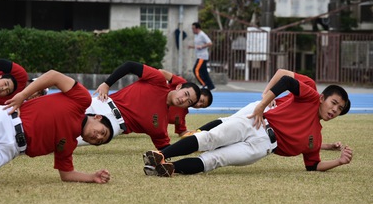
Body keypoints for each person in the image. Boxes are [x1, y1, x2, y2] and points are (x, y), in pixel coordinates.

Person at [142, 69, 353, 177]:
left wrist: (339, 162)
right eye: (334, 103)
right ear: (323, 98)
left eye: (339, 109)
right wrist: (262, 105)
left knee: (216, 160)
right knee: (212, 137)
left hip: (262, 147)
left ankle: (168, 169)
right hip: (257, 120)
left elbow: (313, 166)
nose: (334, 110)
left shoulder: (315, 138)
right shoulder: (310, 95)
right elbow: (287, 80)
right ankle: (162, 154)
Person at [0, 70, 113, 184]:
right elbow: (54, 76)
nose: (98, 137)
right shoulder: (82, 100)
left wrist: (92, 177)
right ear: (97, 117)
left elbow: (67, 174)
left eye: (99, 141)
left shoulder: (69, 145)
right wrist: (22, 95)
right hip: (5, 120)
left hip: (9, 151)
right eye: (103, 132)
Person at [94, 61, 201, 150]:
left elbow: (166, 149)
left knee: (81, 134)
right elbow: (130, 66)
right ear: (178, 87)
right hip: (103, 104)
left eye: (189, 101)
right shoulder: (158, 80)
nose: (184, 100)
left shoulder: (161, 127)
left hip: (112, 127)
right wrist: (107, 84)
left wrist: (196, 145)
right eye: (186, 94)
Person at [188, 22, 215, 90]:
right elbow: (198, 46)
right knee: (204, 72)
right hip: (199, 56)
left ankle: (203, 84)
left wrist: (202, 46)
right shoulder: (196, 35)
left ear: (197, 28)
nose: (192, 30)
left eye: (193, 29)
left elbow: (210, 43)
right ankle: (211, 86)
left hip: (202, 56)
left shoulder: (202, 35)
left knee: (196, 70)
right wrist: (192, 47)